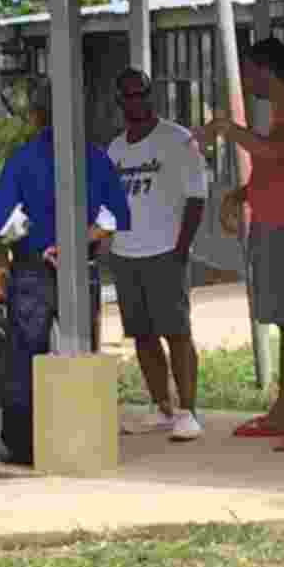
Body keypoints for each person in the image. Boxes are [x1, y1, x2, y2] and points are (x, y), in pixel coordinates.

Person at [193, 36, 284, 452]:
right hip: (275, 223)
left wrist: (228, 129)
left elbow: (271, 152)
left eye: (250, 72)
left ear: (267, 70)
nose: (246, 80)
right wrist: (243, 194)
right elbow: (281, 167)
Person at [0, 83, 130, 466]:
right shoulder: (96, 158)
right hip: (80, 268)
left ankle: (19, 445)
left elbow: (4, 222)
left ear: (36, 116)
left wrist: (9, 259)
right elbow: (113, 219)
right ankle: (80, 439)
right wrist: (74, 243)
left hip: (32, 269)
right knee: (80, 353)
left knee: (23, 357)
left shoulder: (22, 159)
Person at [107, 68, 208, 442]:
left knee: (177, 332)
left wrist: (183, 247)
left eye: (141, 94)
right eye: (127, 96)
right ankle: (162, 407)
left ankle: (189, 411)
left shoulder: (177, 140)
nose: (135, 101)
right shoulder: (115, 149)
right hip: (125, 253)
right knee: (142, 335)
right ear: (119, 102)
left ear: (152, 95)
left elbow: (197, 197)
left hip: (166, 252)